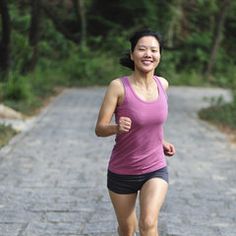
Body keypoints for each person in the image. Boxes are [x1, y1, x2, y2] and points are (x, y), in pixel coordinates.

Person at [95, 29, 176, 236]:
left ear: (159, 55)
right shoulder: (118, 87)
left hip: (155, 167)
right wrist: (116, 127)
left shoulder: (162, 84)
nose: (148, 54)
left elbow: (151, 123)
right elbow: (100, 128)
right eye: (142, 49)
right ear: (132, 54)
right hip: (123, 171)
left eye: (153, 50)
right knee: (127, 228)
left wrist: (161, 141)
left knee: (148, 223)